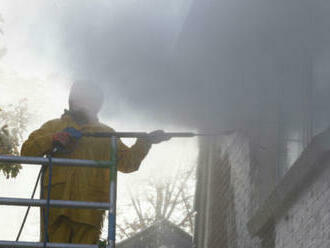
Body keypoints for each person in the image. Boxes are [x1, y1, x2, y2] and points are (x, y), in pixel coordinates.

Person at [21, 81, 169, 244]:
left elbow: (128, 163)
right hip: (56, 207)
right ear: (71, 101)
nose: (84, 104)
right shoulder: (53, 126)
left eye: (89, 100)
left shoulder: (106, 134)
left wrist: (145, 141)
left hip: (90, 211)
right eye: (80, 99)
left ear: (97, 105)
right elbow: (27, 151)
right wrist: (52, 139)